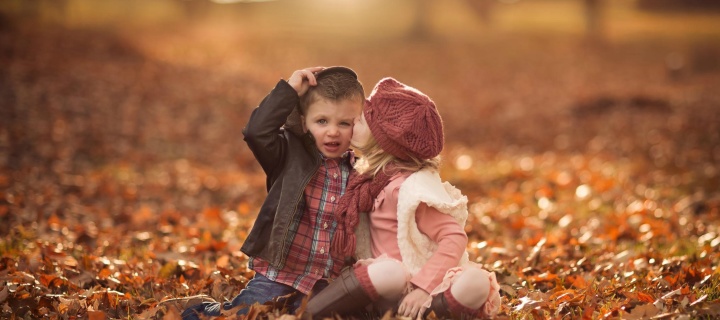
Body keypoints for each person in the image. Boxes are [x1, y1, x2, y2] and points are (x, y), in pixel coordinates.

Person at [305, 77, 501, 319]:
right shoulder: (366, 179)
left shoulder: (409, 189)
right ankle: (309, 313)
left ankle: (428, 312)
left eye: (363, 120)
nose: (354, 120)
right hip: (385, 285)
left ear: (384, 141)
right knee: (390, 272)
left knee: (476, 281)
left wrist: (422, 288)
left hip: (422, 285)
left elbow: (453, 237)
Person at [181, 66, 365, 319]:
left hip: (324, 281)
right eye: (322, 121)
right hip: (279, 275)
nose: (333, 131)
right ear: (303, 121)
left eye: (344, 123)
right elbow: (256, 132)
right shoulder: (288, 153)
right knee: (243, 315)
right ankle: (196, 312)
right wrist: (289, 91)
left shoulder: (360, 172)